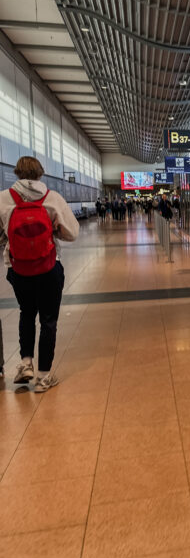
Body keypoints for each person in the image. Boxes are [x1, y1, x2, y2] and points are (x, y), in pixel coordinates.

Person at [0, 156, 79, 392]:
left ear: (16, 173)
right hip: (48, 267)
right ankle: (44, 376)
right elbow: (72, 233)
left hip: (18, 268)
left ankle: (26, 364)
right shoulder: (52, 198)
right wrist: (54, 231)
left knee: (26, 313)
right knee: (48, 320)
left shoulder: (3, 199)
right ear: (40, 173)